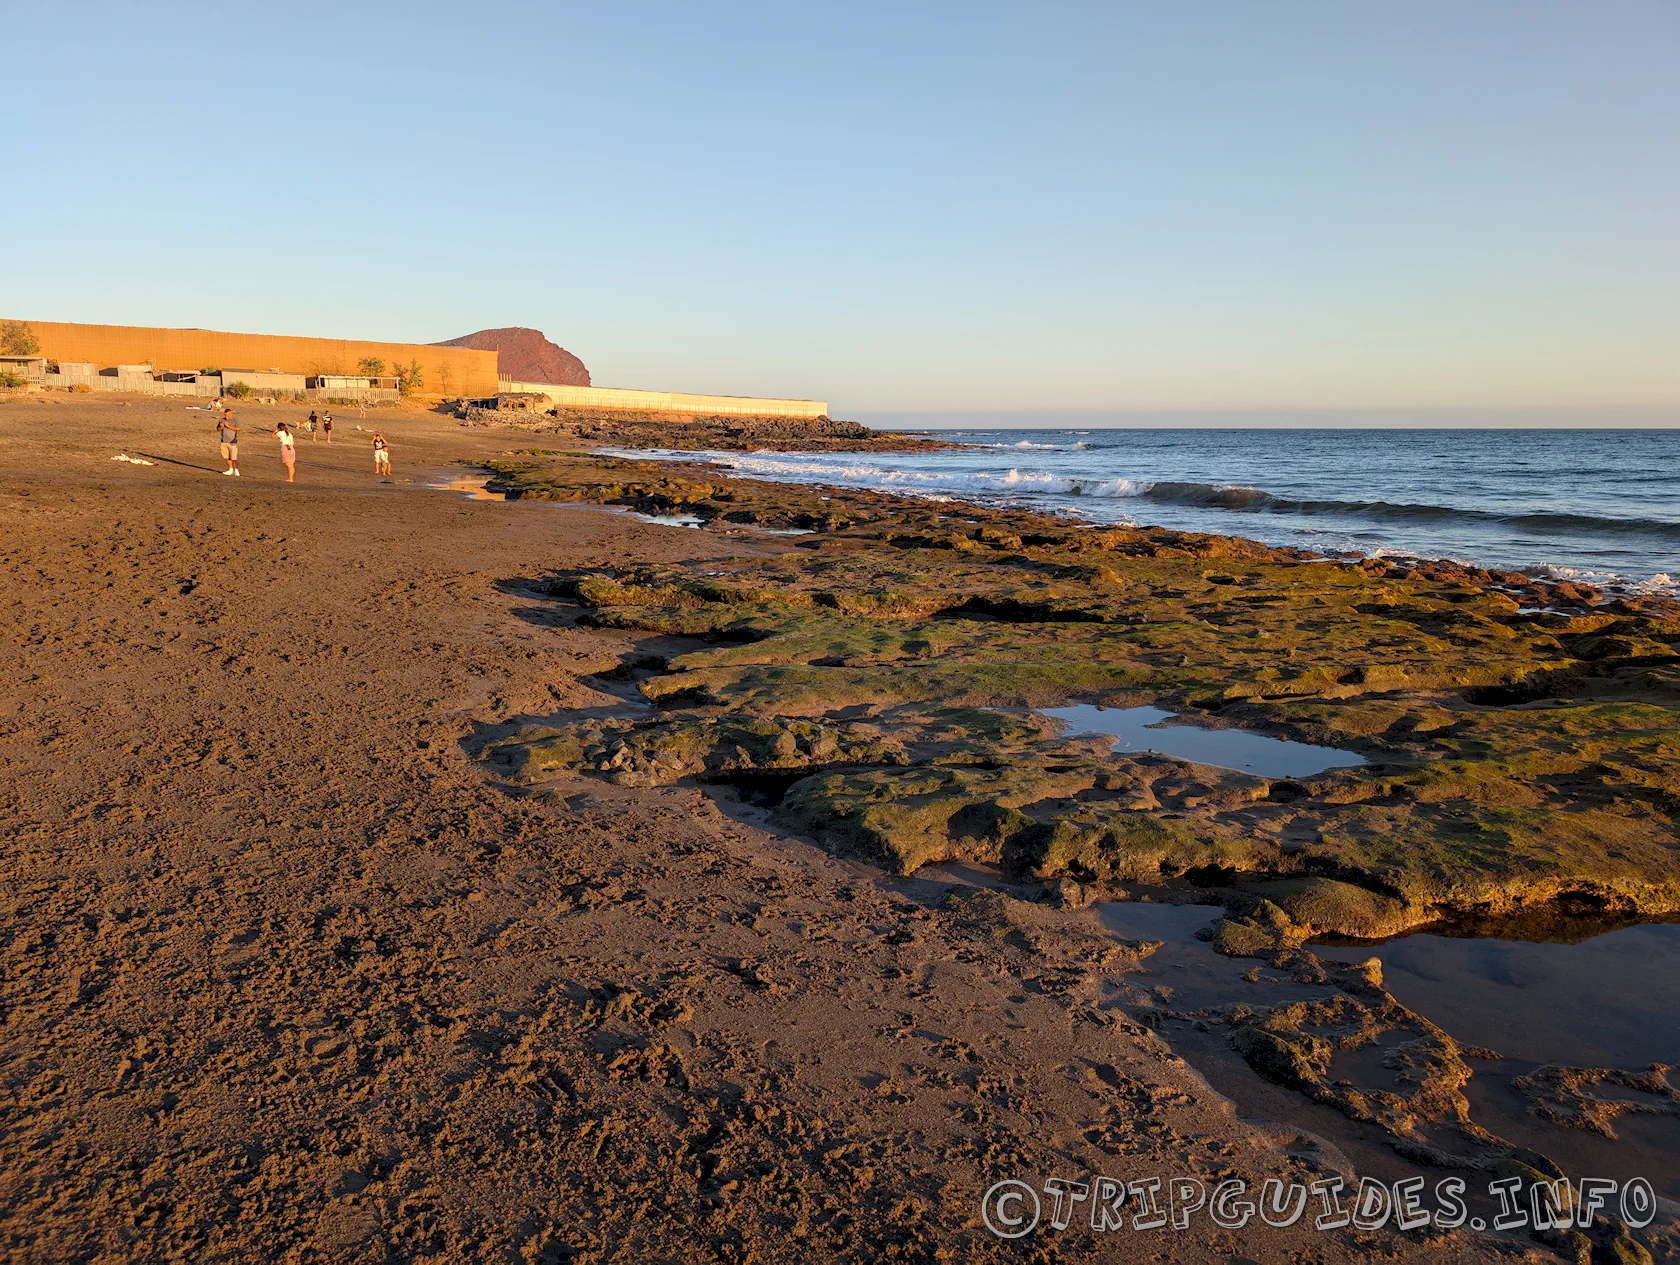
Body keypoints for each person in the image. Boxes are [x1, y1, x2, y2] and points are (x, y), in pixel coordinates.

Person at [217, 410, 240, 476]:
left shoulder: (235, 420)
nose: (226, 417)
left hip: (232, 442)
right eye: (225, 415)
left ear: (231, 414)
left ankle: (236, 470)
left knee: (234, 457)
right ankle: (230, 469)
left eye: (227, 415)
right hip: (223, 441)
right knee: (226, 457)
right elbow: (218, 429)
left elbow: (238, 429)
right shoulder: (221, 420)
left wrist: (228, 426)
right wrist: (221, 427)